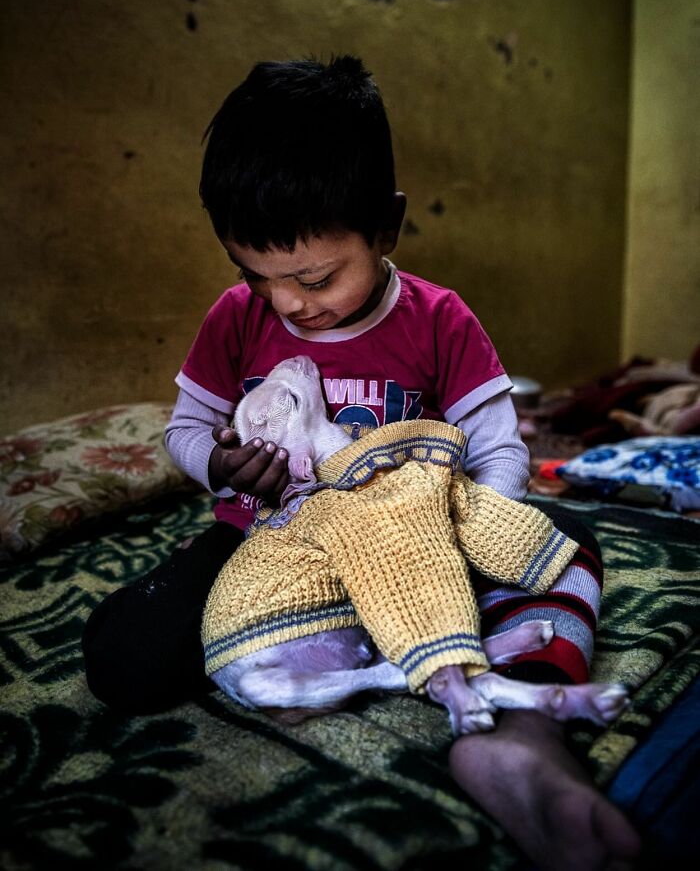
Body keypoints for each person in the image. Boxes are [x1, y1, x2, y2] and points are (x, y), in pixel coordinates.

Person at [82, 56, 640, 870]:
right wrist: (223, 467)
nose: (287, 304)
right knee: (120, 654)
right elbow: (186, 430)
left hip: (416, 545)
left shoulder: (440, 319)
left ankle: (522, 737)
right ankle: (369, 649)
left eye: (313, 276)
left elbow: (496, 446)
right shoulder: (236, 318)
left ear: (386, 227)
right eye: (254, 274)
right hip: (272, 552)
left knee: (563, 538)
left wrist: (474, 527)